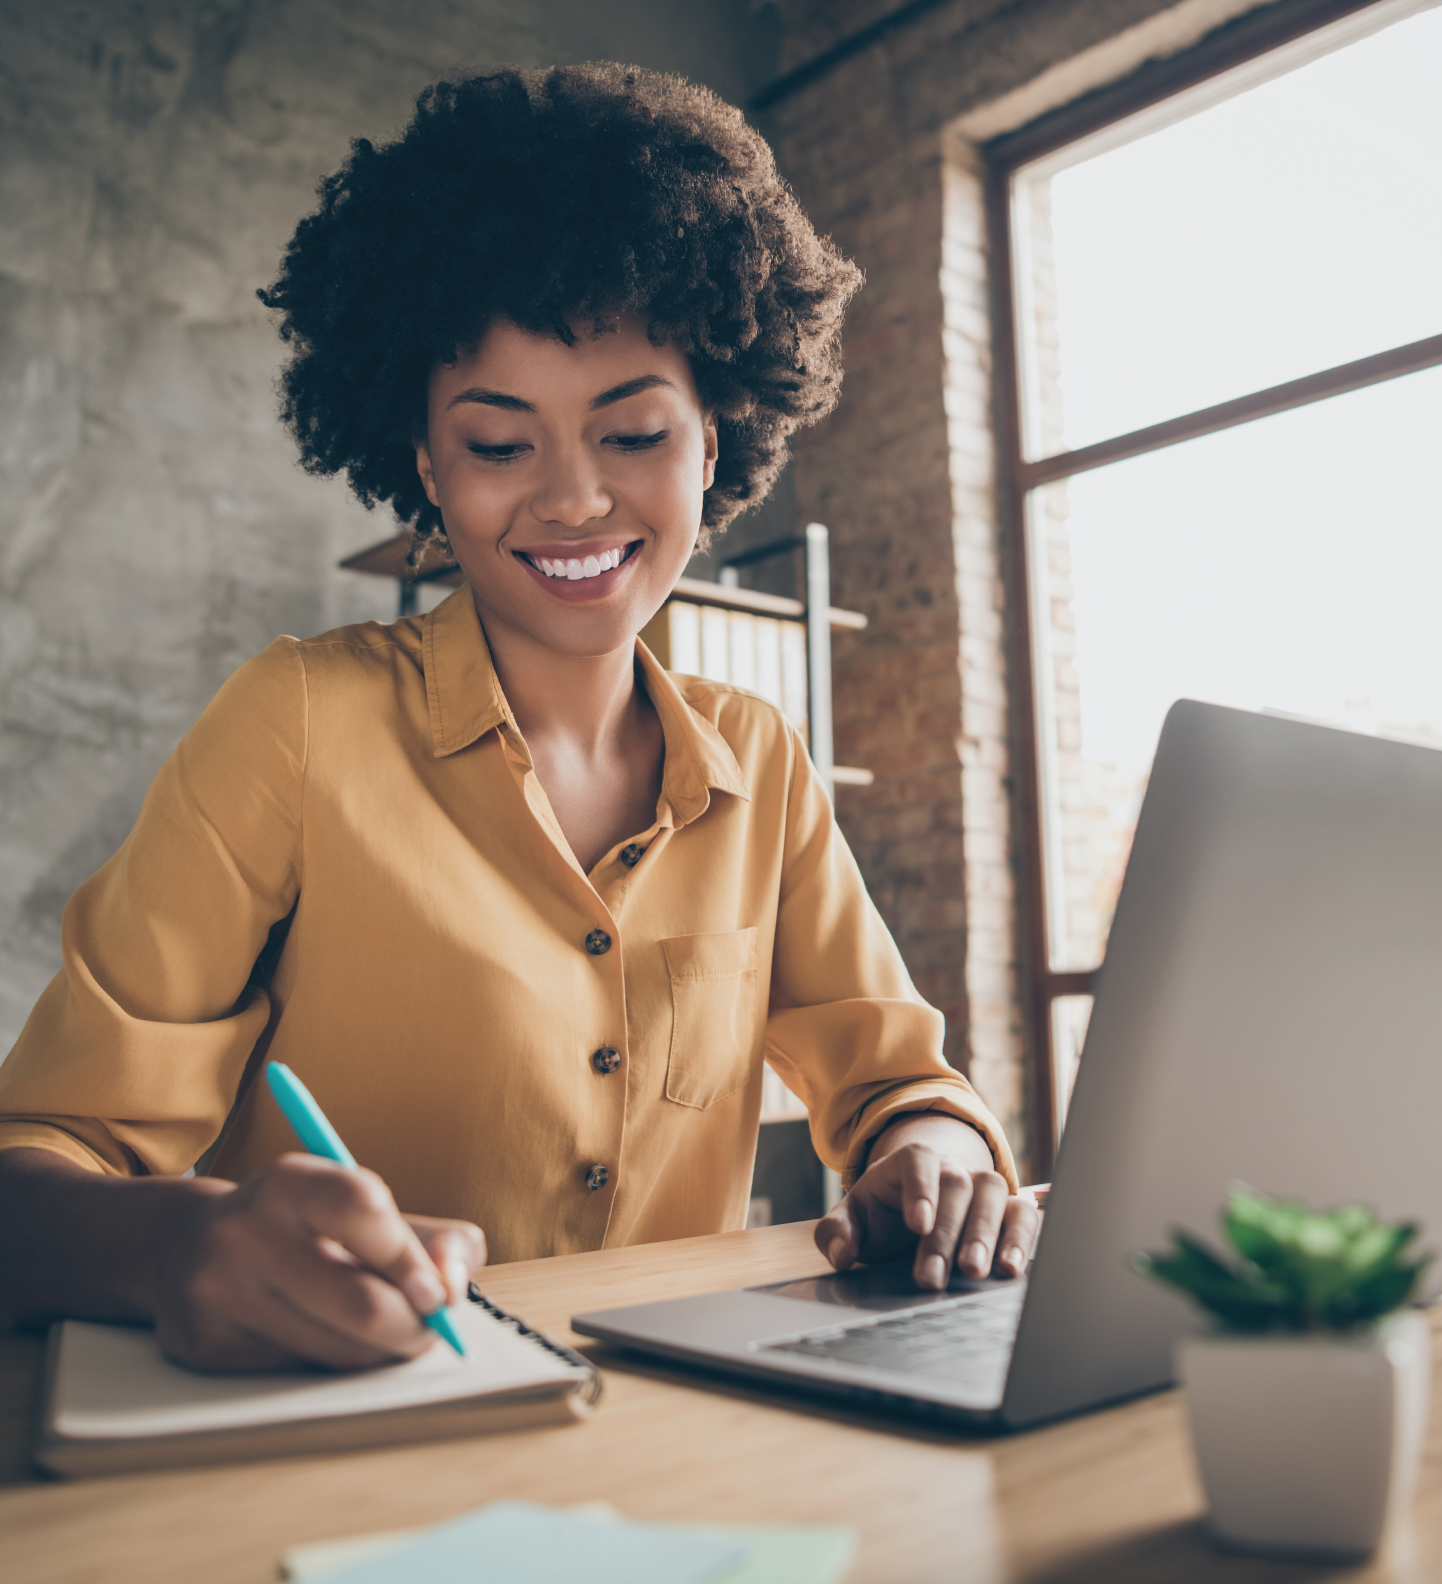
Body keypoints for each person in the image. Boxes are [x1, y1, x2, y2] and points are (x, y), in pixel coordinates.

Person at [0, 63, 1033, 1371]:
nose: (575, 501)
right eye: (499, 446)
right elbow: (30, 1177)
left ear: (715, 441)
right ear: (426, 465)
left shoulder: (759, 761)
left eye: (635, 434)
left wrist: (930, 1154)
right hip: (351, 1443)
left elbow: (899, 1089)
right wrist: (177, 1244)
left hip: (686, 1451)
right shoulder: (297, 724)